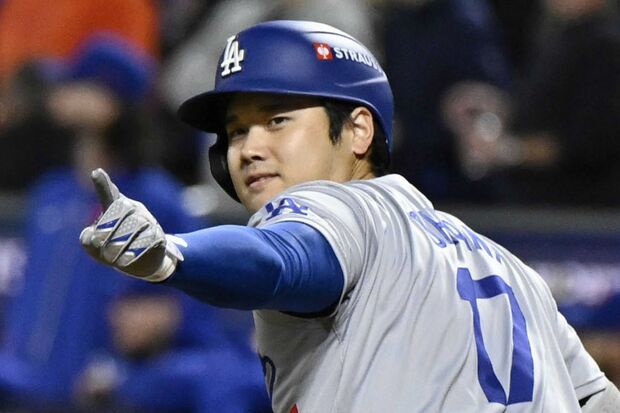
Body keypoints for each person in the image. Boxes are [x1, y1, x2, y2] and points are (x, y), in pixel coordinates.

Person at [79, 20, 620, 412]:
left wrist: (173, 254)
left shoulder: (343, 209)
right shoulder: (513, 272)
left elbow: (282, 258)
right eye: (237, 131)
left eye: (277, 120)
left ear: (359, 130)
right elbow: (597, 400)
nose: (248, 149)